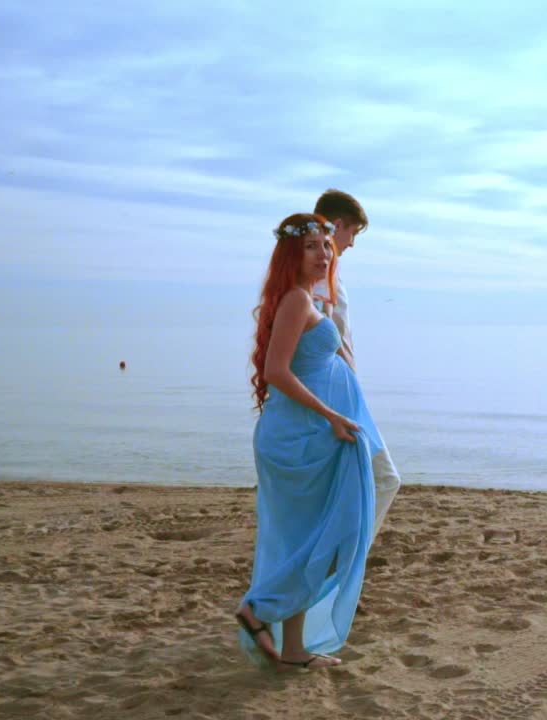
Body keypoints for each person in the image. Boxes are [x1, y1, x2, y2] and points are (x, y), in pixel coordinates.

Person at [233, 213, 384, 671]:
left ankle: (294, 649)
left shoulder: (308, 299)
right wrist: (333, 415)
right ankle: (257, 610)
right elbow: (277, 373)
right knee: (309, 540)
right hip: (300, 436)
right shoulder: (296, 301)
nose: (324, 253)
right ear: (291, 256)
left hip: (312, 435)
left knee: (308, 541)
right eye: (312, 247)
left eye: (326, 245)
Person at [313, 189, 401, 540]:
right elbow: (321, 341)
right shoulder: (320, 280)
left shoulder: (326, 275)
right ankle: (341, 569)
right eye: (353, 233)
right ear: (337, 226)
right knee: (384, 479)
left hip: (340, 388)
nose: (352, 243)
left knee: (347, 485)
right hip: (334, 391)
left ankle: (336, 568)